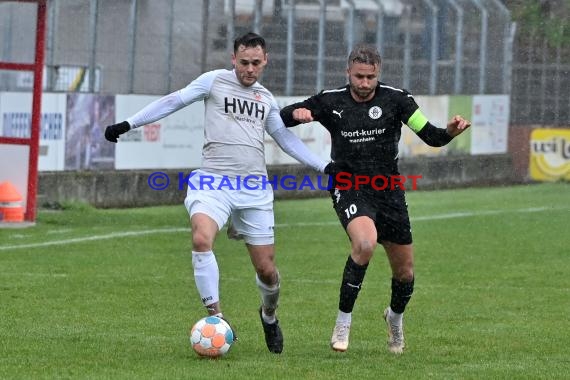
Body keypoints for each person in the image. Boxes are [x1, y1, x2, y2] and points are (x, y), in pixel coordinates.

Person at [104, 32, 332, 354]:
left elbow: (285, 140)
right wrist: (128, 124)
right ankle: (218, 318)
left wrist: (324, 167)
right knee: (201, 239)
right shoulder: (213, 82)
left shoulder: (266, 99)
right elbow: (173, 101)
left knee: (267, 271)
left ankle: (268, 316)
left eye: (255, 63)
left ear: (265, 61)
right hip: (213, 182)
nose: (248, 70)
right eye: (243, 63)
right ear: (232, 59)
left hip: (253, 188)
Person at [280, 44, 471, 354]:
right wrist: (297, 114)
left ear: (378, 74)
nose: (365, 83)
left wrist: (449, 132)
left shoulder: (397, 99)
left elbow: (432, 137)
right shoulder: (331, 101)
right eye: (359, 77)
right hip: (349, 185)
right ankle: (343, 322)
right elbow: (283, 117)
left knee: (405, 272)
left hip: (388, 191)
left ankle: (394, 319)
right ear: (348, 73)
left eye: (371, 77)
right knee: (365, 244)